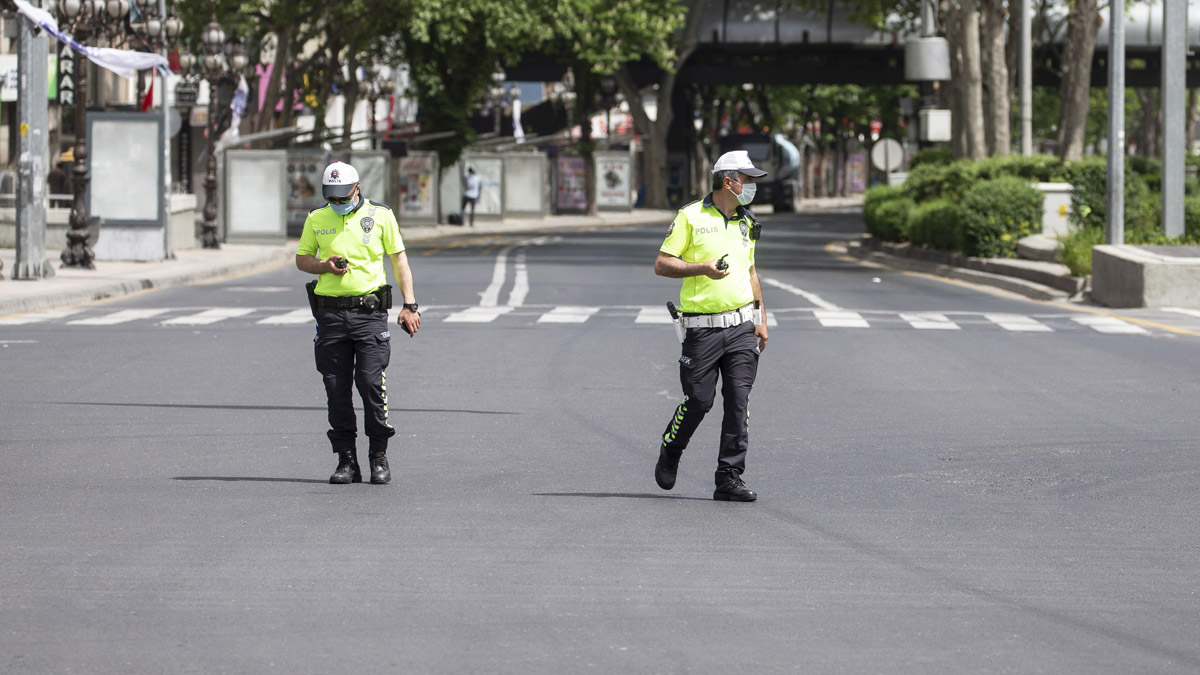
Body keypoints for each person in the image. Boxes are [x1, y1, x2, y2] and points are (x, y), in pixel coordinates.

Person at [653, 150, 770, 502]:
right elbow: (662, 264)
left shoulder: (746, 222)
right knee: (699, 400)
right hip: (701, 329)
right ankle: (672, 447)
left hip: (740, 327)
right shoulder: (690, 217)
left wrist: (760, 319)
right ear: (727, 180)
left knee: (738, 400)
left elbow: (750, 271)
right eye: (746, 179)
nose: (750, 186)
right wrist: (700, 267)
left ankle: (728, 476)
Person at [295, 161, 422, 485]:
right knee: (336, 390)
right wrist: (324, 265)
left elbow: (399, 259)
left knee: (369, 383)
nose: (337, 203)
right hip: (331, 316)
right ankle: (346, 461)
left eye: (343, 197)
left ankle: (378, 457)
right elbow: (302, 258)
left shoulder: (381, 215)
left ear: (357, 188)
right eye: (332, 198)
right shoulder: (316, 217)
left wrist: (409, 305)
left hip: (369, 315)